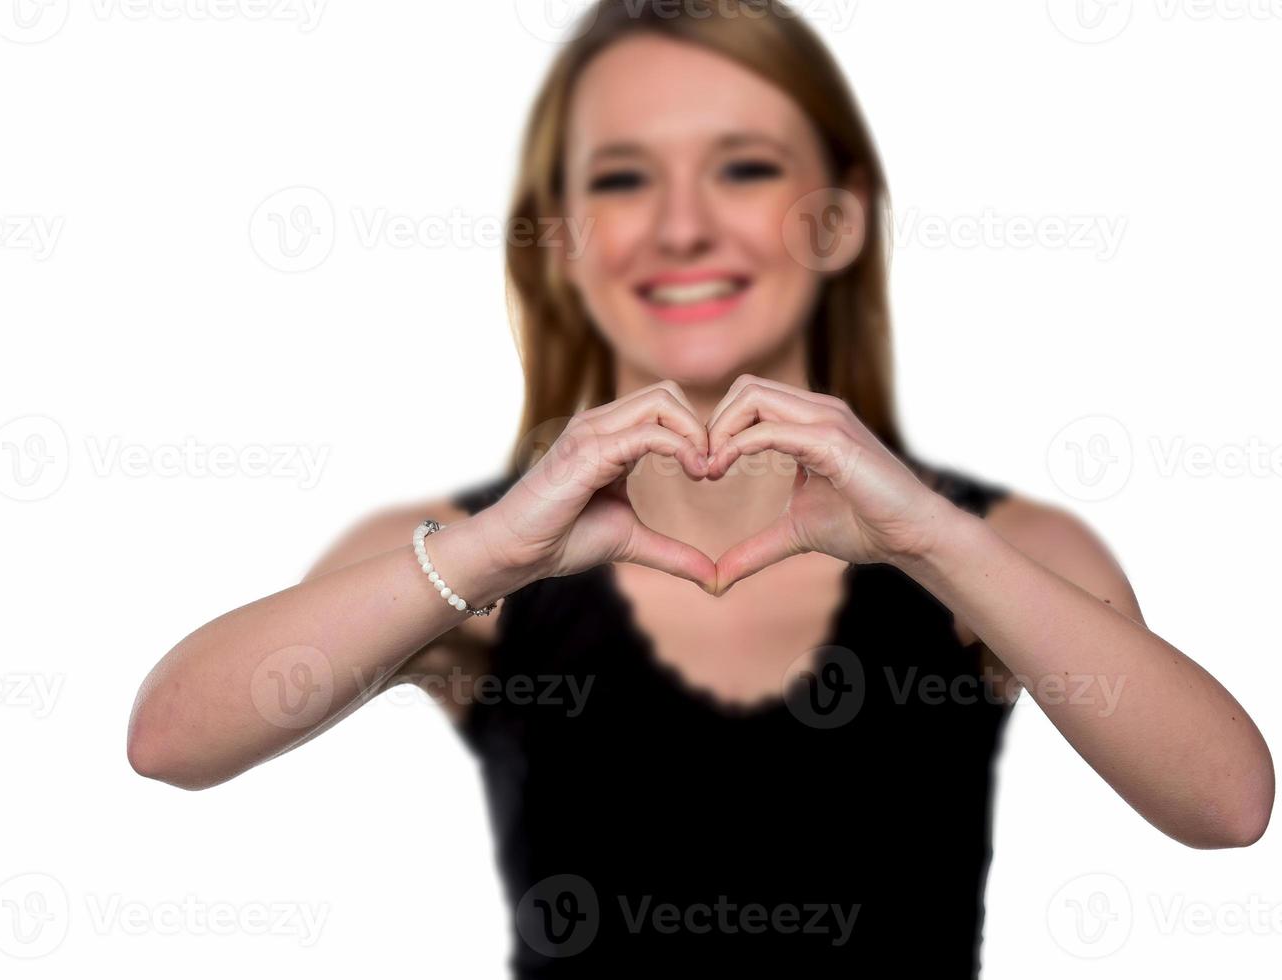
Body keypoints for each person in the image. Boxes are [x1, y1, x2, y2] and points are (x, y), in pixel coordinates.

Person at [127, 1, 1273, 974]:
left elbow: (1229, 806)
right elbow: (172, 740)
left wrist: (929, 534)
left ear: (837, 220)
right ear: (568, 240)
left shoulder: (1002, 547)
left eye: (744, 165)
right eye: (625, 178)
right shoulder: (464, 554)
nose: (681, 224)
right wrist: (488, 554)